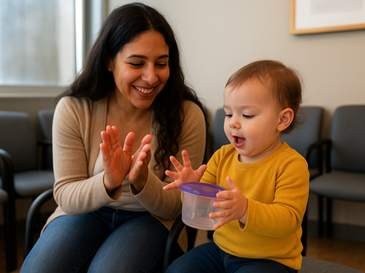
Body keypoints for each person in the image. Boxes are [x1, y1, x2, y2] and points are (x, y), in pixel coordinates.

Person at [21, 3, 207, 273]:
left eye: (162, 64)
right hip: (85, 213)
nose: (151, 77)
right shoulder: (74, 109)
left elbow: (175, 208)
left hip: (152, 219)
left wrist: (143, 182)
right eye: (136, 63)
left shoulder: (187, 115)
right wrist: (109, 181)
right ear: (109, 60)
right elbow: (65, 194)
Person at [164, 60, 309, 273]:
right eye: (228, 114)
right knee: (178, 270)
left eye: (247, 115)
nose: (233, 123)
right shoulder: (222, 156)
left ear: (282, 119)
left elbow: (289, 220)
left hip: (269, 260)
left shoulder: (291, 164)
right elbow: (205, 205)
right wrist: (192, 187)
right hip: (221, 249)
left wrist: (245, 209)